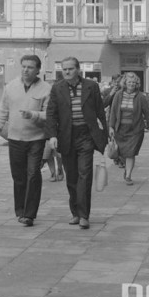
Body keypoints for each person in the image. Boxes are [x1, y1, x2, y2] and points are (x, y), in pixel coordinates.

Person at [46, 56, 108, 229]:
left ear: (78, 69)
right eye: (64, 69)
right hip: (67, 136)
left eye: (70, 69)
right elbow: (51, 113)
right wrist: (52, 135)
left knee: (85, 174)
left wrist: (105, 133)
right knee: (71, 177)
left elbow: (100, 111)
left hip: (86, 136)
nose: (66, 72)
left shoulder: (91, 86)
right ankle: (75, 212)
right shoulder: (57, 88)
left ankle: (84, 215)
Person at [0, 55, 51, 227]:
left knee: (33, 174)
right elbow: (2, 111)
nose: (26, 70)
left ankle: (30, 214)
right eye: (23, 66)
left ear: (38, 70)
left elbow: (50, 115)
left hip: (36, 139)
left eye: (30, 67)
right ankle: (20, 210)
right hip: (15, 138)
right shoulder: (11, 87)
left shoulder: (46, 89)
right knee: (18, 176)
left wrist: (34, 115)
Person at [108, 72, 149, 185]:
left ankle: (128, 175)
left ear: (137, 84)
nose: (131, 84)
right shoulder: (118, 95)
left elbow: (147, 113)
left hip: (135, 130)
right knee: (121, 153)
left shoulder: (141, 97)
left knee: (131, 153)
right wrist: (111, 127)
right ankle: (126, 166)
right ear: (125, 83)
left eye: (134, 82)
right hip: (120, 129)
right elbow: (113, 112)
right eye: (129, 82)